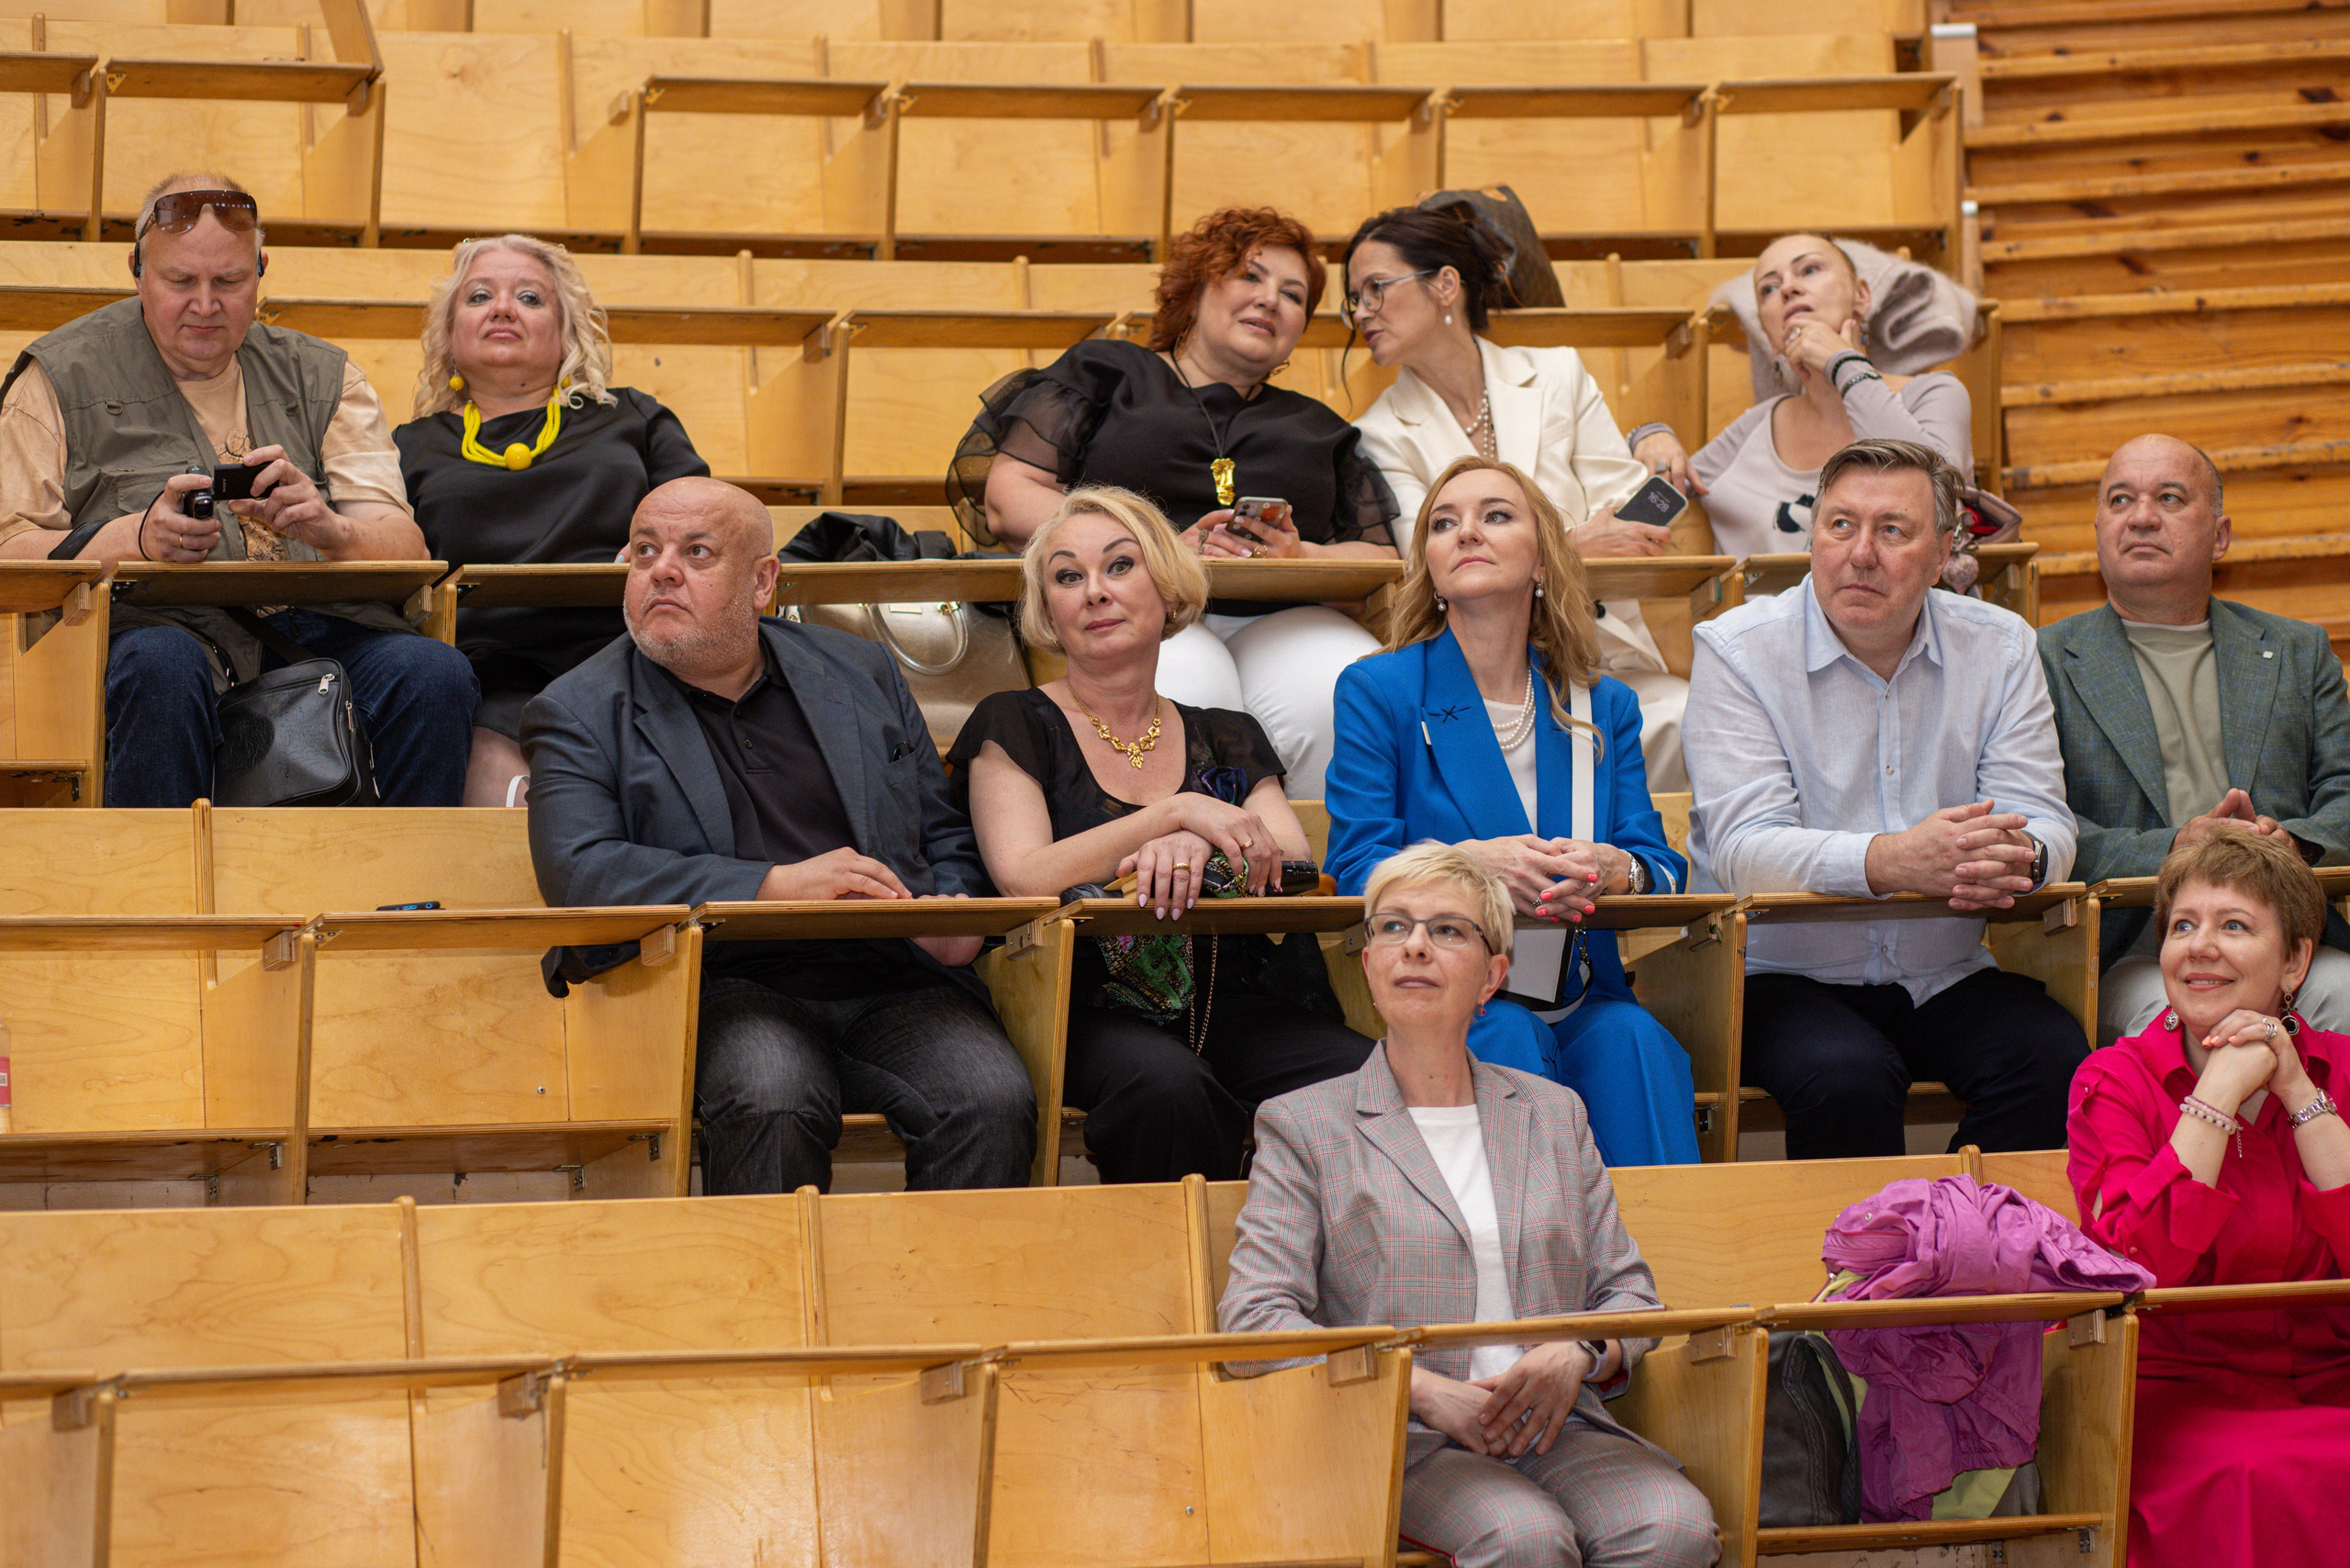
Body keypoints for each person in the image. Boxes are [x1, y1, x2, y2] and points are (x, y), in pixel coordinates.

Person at [523, 476, 1035, 1195]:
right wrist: (771, 887)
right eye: (645, 551)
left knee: (990, 1097)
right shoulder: (578, 709)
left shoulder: (858, 669)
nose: (662, 569)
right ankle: (764, 1311)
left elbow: (943, 823)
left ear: (763, 582)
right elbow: (582, 873)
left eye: (696, 552)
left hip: (890, 971)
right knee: (774, 1095)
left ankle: (944, 1308)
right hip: (722, 978)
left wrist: (950, 910)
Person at [1220, 843, 1720, 1568]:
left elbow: (1629, 1296)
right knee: (1523, 1540)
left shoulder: (1552, 1114)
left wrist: (1576, 1355)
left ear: (1493, 977)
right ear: (1366, 964)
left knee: (1673, 1526)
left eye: (1448, 930)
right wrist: (1419, 1391)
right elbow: (1256, 1319)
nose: (1415, 946)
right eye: (1392, 928)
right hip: (1405, 1438)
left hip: (1559, 1427)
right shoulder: (1303, 1125)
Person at [0, 172, 476, 808]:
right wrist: (134, 538)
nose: (205, 304)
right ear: (137, 270)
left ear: (260, 272)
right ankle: (159, 896)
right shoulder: (58, 377)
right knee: (161, 666)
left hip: (317, 632)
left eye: (229, 282)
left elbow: (406, 550)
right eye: (180, 282)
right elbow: (12, 555)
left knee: (433, 672)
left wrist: (332, 530)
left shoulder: (327, 377)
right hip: (158, 632)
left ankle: (405, 898)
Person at [948, 486, 1372, 1182]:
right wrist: (1175, 815)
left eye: (1119, 566)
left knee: (1368, 1081)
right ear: (1048, 611)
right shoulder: (1013, 722)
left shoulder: (1226, 733)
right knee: (1170, 1091)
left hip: (1239, 997)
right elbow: (1023, 874)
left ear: (1168, 590)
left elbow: (1292, 862)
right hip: (1086, 1005)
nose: (1093, 592)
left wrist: (1197, 843)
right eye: (1066, 576)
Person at [1684, 437, 2084, 1159]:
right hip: (1782, 975)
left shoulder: (2000, 647)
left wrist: (2021, 860)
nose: (1859, 553)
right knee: (1846, 1075)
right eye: (1840, 525)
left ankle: (1973, 1247)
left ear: (1942, 558)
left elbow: (2047, 819)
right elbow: (1743, 852)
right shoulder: (1738, 650)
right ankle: (1866, 1267)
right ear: (1813, 536)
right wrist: (1892, 861)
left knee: (2053, 1057)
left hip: (1944, 969)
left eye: (1892, 530)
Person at [947, 206, 1399, 794]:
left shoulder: (1319, 427)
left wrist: (1300, 554)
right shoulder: (1109, 371)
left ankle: (1315, 874)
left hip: (1280, 612)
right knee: (1185, 685)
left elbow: (1380, 562)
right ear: (1197, 288)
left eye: (1293, 295)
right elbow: (1009, 498)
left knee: (1339, 687)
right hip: (1133, 600)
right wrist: (1151, 547)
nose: (1270, 300)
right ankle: (1177, 871)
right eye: (1250, 277)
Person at [1326, 456, 1698, 1167]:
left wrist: (1619, 870)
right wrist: (1469, 868)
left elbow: (1665, 871)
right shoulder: (1380, 690)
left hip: (1578, 991)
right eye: (1443, 523)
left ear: (1541, 558)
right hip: (1448, 996)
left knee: (1636, 1041)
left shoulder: (1602, 702)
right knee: (1506, 1040)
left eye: (1495, 515)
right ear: (1429, 567)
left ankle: (1665, 1272)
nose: (1466, 532)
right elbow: (1352, 869)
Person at [2067, 830, 2350, 1568]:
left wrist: (2297, 1091)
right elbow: (2137, 1264)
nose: (2199, 947)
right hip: (2174, 1388)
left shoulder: (2342, 1070)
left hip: (2330, 1377)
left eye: (2234, 926)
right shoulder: (2112, 1081)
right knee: (2258, 1476)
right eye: (2183, 926)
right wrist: (2216, 1095)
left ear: (2295, 961)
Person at [1343, 205, 1690, 790]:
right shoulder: (1377, 432)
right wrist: (1573, 545)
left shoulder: (1558, 375)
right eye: (1353, 298)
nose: (1361, 313)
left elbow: (1634, 525)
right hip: (1477, 673)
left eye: (1375, 289)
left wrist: (1649, 438)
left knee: (1687, 720)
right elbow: (1431, 563)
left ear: (1445, 285)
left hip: (1597, 647)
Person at [2040, 433, 2350, 1045]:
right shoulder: (2041, 659)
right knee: (2179, 1022)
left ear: (2221, 534)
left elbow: (2345, 789)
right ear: (2099, 527)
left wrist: (2295, 845)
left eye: (2170, 497)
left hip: (2286, 942)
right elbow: (2039, 822)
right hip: (2134, 949)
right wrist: (2176, 845)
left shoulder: (2296, 650)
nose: (2142, 516)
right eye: (2121, 499)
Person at [397, 234, 710, 807]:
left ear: (567, 332)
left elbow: (702, 515)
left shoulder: (633, 416)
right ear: (449, 333)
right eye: (480, 296)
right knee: (511, 797)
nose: (503, 309)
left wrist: (653, 546)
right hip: (482, 670)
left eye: (530, 298)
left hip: (631, 650)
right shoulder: (409, 447)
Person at [1646, 234, 1973, 561]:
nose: (1788, 289)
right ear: (1768, 335)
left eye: (1809, 270)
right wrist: (1651, 436)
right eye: (1769, 289)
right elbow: (1650, 509)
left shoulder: (1934, 394)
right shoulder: (1759, 425)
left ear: (1861, 295)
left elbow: (1938, 499)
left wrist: (1844, 365)